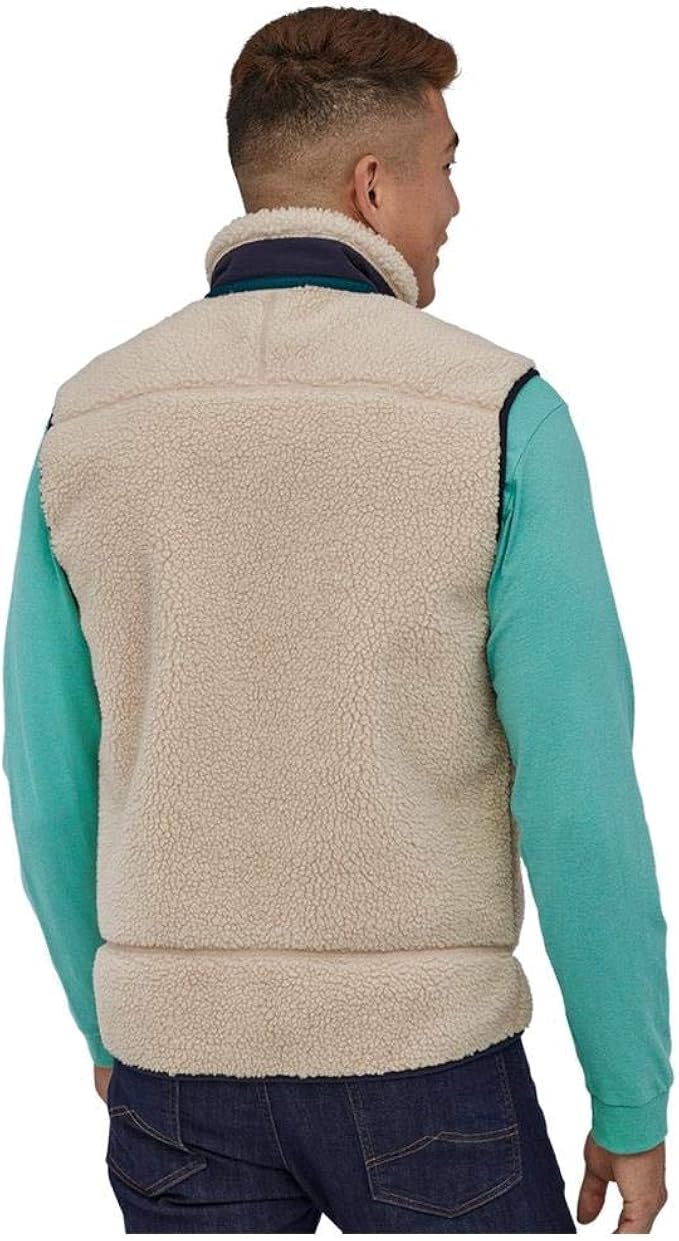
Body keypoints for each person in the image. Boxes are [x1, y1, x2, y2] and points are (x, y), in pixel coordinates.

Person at [1, 4, 671, 1233]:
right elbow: (576, 790)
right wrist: (630, 1094)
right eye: (447, 164)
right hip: (427, 1063)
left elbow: (48, 779)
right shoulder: (499, 412)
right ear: (371, 185)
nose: (454, 204)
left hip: (175, 1071)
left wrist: (107, 1027)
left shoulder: (85, 422)